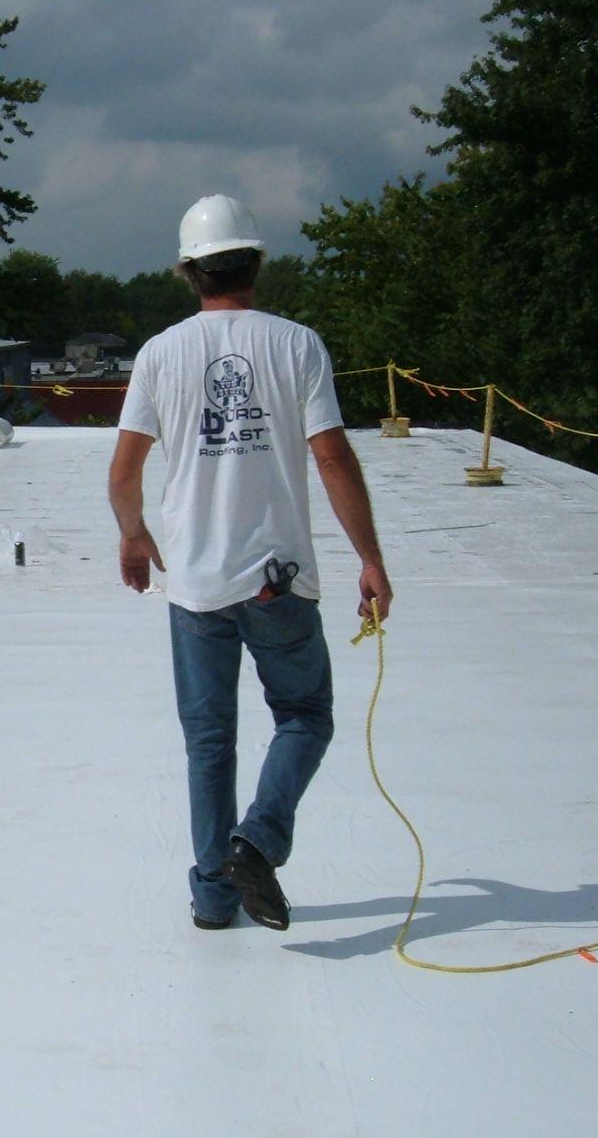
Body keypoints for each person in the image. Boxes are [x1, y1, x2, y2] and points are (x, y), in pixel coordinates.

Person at [106, 194, 393, 933]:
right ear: (256, 264)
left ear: (188, 271)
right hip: (279, 582)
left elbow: (125, 471)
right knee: (305, 716)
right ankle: (257, 842)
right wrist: (369, 558)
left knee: (209, 743)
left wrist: (134, 536)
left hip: (195, 586)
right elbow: (331, 457)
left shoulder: (161, 353)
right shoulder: (297, 345)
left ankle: (213, 896)